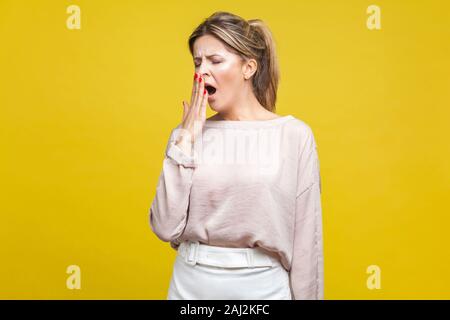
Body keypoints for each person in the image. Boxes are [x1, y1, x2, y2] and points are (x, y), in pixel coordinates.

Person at [149, 11, 324, 300]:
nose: (201, 71)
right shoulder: (185, 136)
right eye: (197, 62)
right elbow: (165, 226)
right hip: (191, 286)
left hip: (263, 290)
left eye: (215, 61)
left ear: (248, 67)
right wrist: (184, 142)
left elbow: (307, 242)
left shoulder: (294, 136)